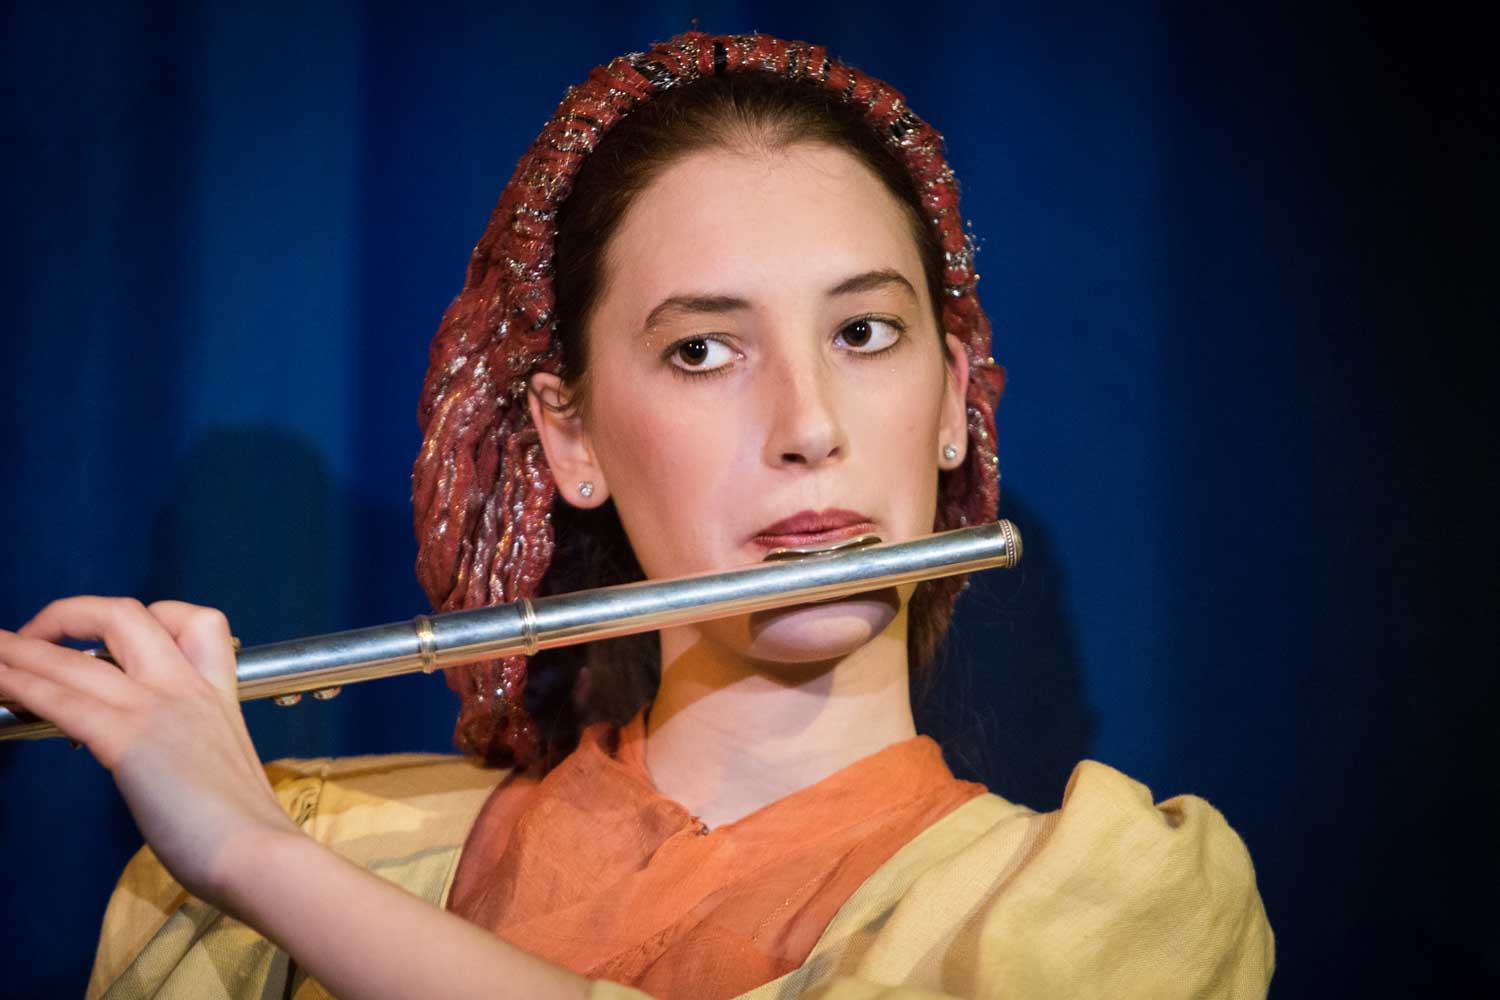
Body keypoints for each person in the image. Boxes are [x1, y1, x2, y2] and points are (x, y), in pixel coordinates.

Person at [0, 31, 1274, 1000]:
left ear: (952, 399)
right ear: (571, 437)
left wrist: (248, 854)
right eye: (704, 351)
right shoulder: (305, 850)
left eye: (867, 332)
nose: (808, 424)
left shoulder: (1111, 909)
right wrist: (246, 844)